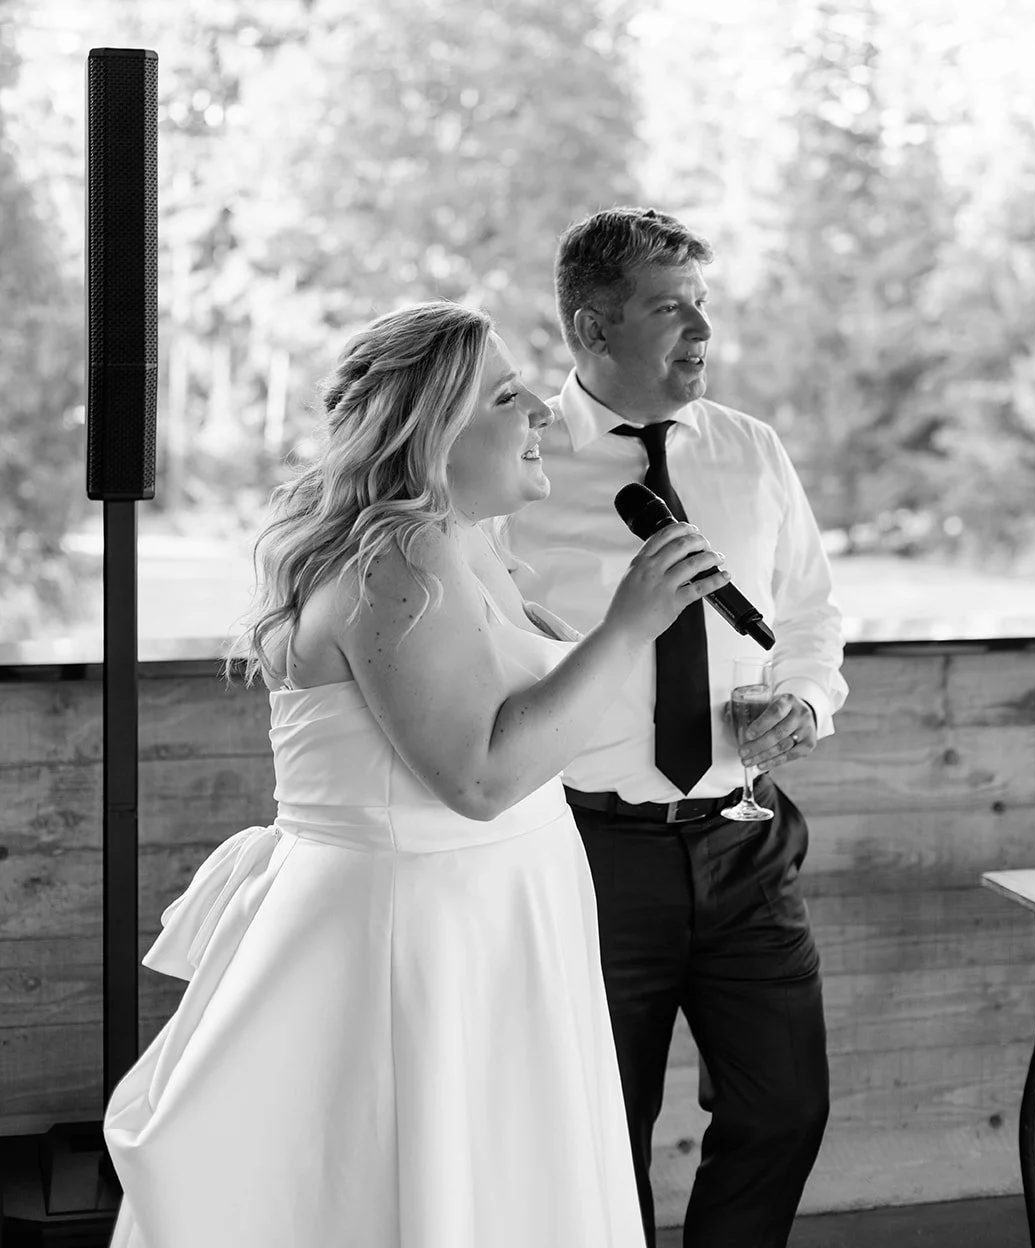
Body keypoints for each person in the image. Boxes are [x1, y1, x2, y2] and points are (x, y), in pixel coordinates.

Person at [101, 299, 735, 1248]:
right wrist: (629, 625)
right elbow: (477, 782)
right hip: (423, 933)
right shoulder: (401, 553)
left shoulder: (463, 542)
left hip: (494, 913)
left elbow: (535, 736)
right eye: (505, 397)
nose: (542, 411)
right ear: (428, 432)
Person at [503, 207, 849, 1248]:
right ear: (591, 326)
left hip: (744, 836)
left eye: (701, 304)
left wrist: (803, 700)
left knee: (785, 1106)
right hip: (584, 850)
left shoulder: (751, 449)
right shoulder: (514, 466)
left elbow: (810, 615)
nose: (700, 330)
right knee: (598, 1130)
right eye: (668, 308)